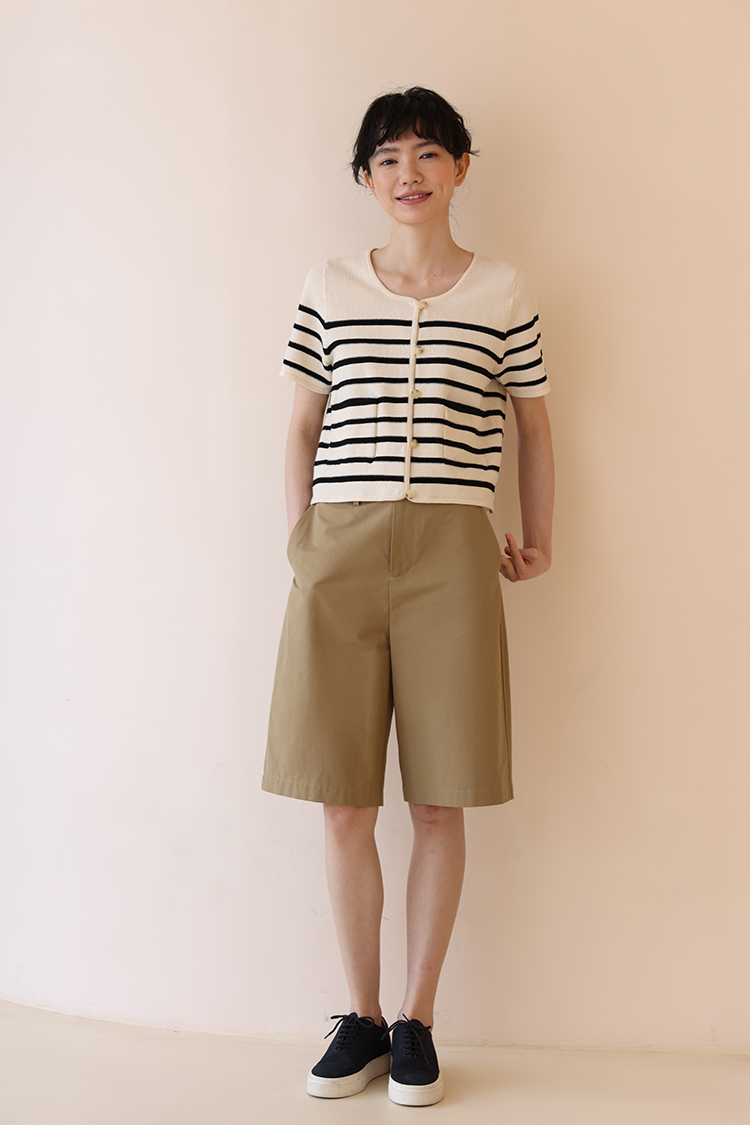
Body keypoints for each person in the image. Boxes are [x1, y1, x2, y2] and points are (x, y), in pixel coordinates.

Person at [262, 86, 554, 1107]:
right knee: (343, 801)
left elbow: (534, 424)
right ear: (365, 177)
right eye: (387, 158)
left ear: (461, 168)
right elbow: (302, 423)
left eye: (428, 153)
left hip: (453, 553)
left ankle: (418, 1021)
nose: (409, 174)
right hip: (337, 549)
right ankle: (362, 1017)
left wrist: (540, 539)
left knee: (438, 798)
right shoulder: (330, 284)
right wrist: (303, 541)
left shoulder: (504, 290)